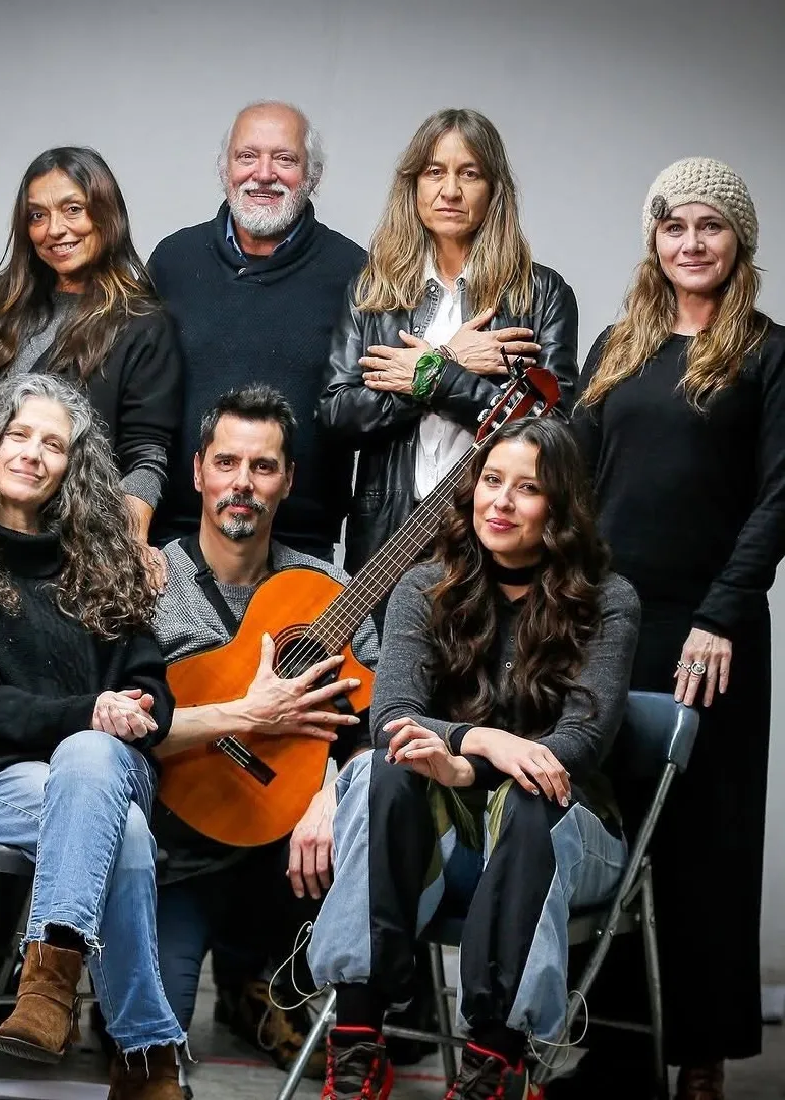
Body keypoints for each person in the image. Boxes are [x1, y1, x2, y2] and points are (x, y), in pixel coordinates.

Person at [306, 417, 640, 1100]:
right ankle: (359, 1038)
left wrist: (467, 766)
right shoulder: (425, 586)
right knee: (381, 767)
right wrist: (483, 742)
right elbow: (391, 718)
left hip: (563, 837)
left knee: (533, 794)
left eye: (527, 489)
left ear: (561, 506)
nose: (501, 502)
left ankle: (496, 1060)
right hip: (449, 842)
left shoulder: (608, 601)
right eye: (491, 480)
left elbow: (577, 746)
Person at [0, 372, 185, 1099]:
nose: (32, 453)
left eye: (53, 444)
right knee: (125, 831)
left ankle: (48, 985)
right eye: (19, 435)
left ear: (72, 467)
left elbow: (153, 688)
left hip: (107, 770)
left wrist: (133, 708)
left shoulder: (102, 563)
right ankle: (146, 1059)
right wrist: (85, 714)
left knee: (90, 758)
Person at [572, 158, 785, 1100]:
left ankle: (701, 1054)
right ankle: (616, 1053)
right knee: (609, 830)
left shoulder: (768, 355)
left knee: (705, 843)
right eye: (674, 226)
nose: (690, 243)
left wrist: (720, 613)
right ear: (653, 239)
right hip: (608, 623)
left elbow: (780, 497)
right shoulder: (619, 346)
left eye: (710, 226)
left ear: (739, 242)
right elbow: (571, 478)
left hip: (710, 633)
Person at [149, 384, 378, 1074]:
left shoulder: (328, 590)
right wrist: (248, 714)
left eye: (263, 466)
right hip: (178, 846)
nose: (242, 483)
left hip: (285, 855)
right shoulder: (151, 580)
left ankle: (259, 983)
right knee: (152, 1043)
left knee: (365, 811)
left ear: (289, 480)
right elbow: (123, 727)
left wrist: (332, 790)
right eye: (226, 463)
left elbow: (377, 719)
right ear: (198, 472)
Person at [319, 107, 579, 575]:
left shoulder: (542, 294)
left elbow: (555, 431)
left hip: (498, 531)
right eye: (434, 172)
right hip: (390, 530)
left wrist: (437, 377)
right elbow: (337, 415)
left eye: (470, 173)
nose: (451, 190)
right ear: (413, 185)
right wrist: (449, 361)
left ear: (494, 189)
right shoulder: (372, 290)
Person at [149, 101, 366, 561]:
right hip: (178, 537)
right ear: (225, 168)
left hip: (302, 543)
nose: (264, 174)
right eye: (247, 156)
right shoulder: (173, 261)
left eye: (284, 159)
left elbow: (367, 405)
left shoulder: (353, 272)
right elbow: (141, 400)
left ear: (313, 175)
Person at [0, 145, 182, 574]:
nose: (55, 229)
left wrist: (127, 544)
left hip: (64, 550)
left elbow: (147, 455)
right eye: (37, 215)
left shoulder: (142, 323)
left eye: (73, 209)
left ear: (106, 214)